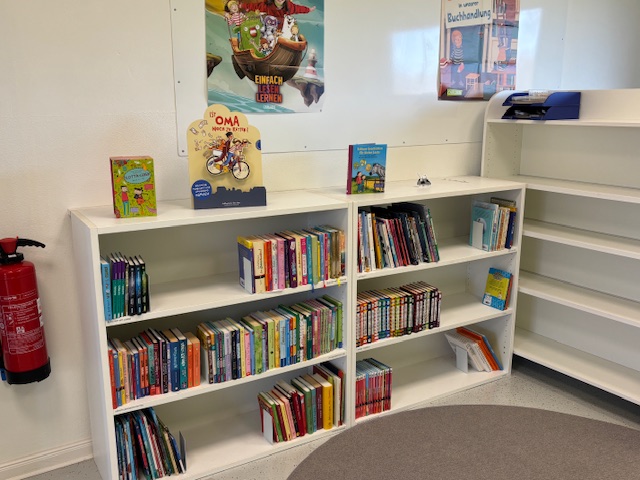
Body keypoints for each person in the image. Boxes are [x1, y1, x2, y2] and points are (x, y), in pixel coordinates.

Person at [240, 0, 315, 28]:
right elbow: (255, 6)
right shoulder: (267, 5)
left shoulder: (289, 6)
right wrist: (243, 5)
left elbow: (298, 8)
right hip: (269, 26)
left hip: (280, 28)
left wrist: (308, 10)